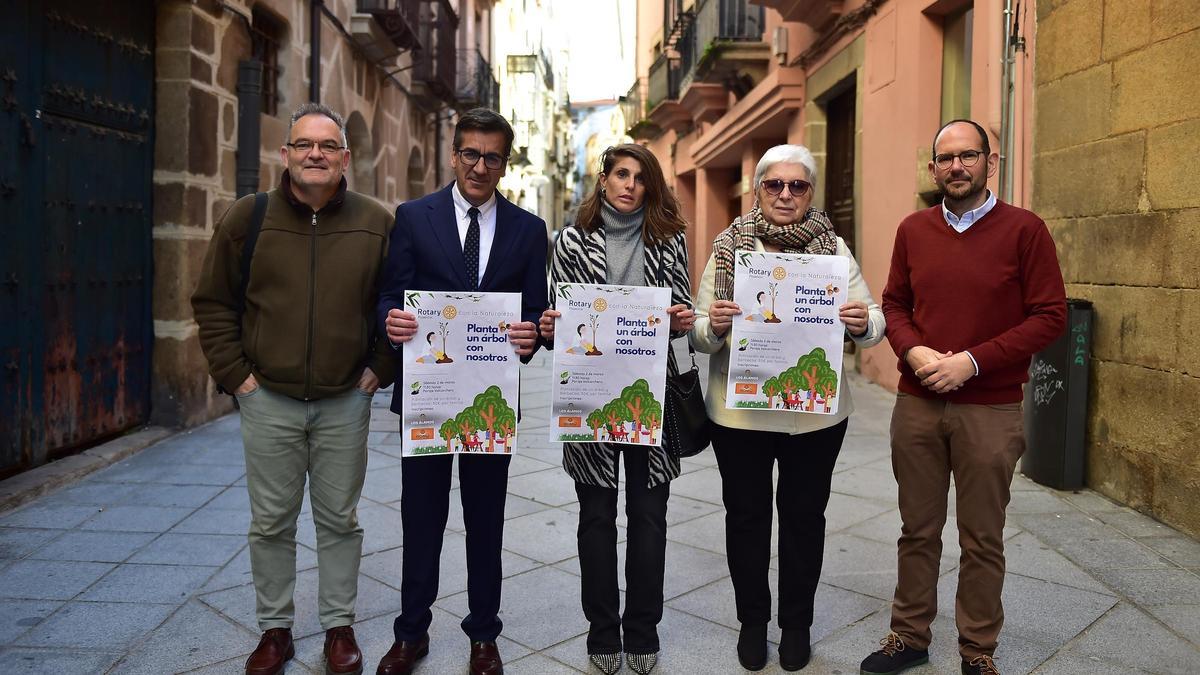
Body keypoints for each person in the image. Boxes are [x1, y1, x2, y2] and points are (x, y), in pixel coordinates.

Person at [192, 102, 394, 675]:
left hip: (344, 400)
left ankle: (339, 626)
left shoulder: (377, 222)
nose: (315, 155)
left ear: (345, 158)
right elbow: (213, 302)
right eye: (304, 145)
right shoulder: (247, 218)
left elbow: (398, 304)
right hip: (269, 399)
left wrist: (379, 369)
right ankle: (274, 630)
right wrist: (240, 379)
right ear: (285, 154)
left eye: (327, 147)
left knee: (339, 519)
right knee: (271, 520)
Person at [859, 120, 1066, 675]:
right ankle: (909, 636)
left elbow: (1050, 316)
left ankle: (977, 649)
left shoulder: (1025, 231)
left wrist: (972, 361)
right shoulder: (913, 229)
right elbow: (894, 304)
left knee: (982, 537)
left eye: (967, 156)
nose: (956, 167)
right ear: (933, 169)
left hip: (990, 407)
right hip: (919, 403)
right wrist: (914, 352)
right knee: (917, 529)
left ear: (989, 163)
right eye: (945, 159)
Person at [690, 144, 885, 672]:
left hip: (815, 418)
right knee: (747, 518)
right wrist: (717, 325)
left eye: (797, 186)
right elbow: (700, 333)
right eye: (774, 185)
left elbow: (873, 320)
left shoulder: (833, 250)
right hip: (741, 416)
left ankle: (795, 623)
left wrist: (860, 323)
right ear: (757, 190)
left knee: (804, 520)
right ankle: (752, 622)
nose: (785, 194)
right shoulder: (730, 246)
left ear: (810, 194)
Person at [374, 108, 549, 675]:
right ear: (454, 155)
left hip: (491, 402)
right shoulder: (412, 217)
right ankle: (411, 633)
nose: (479, 165)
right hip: (428, 395)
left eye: (491, 156)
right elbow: (388, 297)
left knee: (486, 520)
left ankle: (483, 636)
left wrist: (532, 336)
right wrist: (391, 322)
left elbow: (533, 315)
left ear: (504, 163)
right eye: (470, 153)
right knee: (420, 517)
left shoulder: (528, 229)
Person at [538, 144, 696, 675]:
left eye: (640, 177)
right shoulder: (570, 241)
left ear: (650, 186)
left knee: (650, 518)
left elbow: (684, 310)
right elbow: (559, 313)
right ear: (603, 180)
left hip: (651, 394)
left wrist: (680, 318)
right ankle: (603, 629)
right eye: (620, 174)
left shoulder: (669, 239)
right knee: (597, 518)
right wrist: (552, 324)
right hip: (589, 394)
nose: (629, 184)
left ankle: (643, 628)